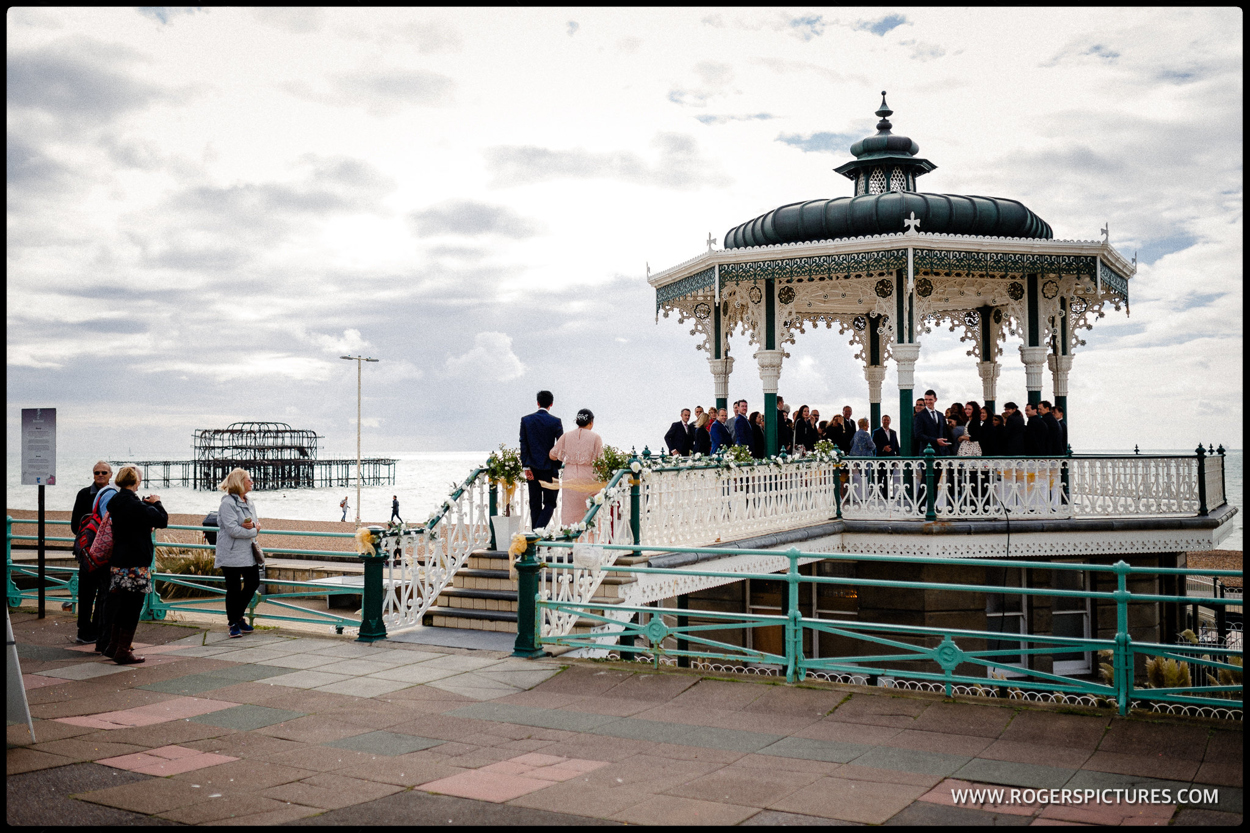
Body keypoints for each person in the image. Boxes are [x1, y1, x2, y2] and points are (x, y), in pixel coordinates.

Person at [102, 466, 168, 664]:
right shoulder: (134, 505)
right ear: (135, 482)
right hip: (136, 563)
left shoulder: (116, 502)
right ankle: (123, 650)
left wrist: (147, 505)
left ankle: (113, 645)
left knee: (122, 604)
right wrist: (157, 503)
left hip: (118, 562)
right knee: (133, 607)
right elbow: (162, 520)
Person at [215, 468, 262, 639]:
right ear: (239, 482)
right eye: (248, 479)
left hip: (248, 551)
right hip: (231, 552)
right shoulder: (227, 503)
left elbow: (255, 523)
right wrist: (253, 531)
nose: (251, 482)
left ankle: (238, 616)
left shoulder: (249, 502)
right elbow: (233, 530)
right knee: (233, 588)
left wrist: (254, 527)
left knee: (253, 582)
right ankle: (233, 622)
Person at [70, 461, 113, 644]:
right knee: (86, 593)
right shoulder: (83, 494)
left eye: (104, 472)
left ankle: (96, 630)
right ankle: (84, 631)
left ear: (111, 474)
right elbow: (74, 525)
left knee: (103, 593)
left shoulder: (113, 495)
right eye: (97, 472)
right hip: (88, 553)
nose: (100, 475)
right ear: (93, 474)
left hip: (104, 554)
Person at [549, 408, 604, 527]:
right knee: (590, 512)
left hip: (569, 478)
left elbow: (552, 455)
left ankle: (571, 540)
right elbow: (601, 462)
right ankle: (589, 542)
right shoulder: (595, 437)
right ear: (591, 422)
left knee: (570, 512)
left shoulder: (566, 436)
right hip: (589, 478)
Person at [520, 390, 564, 530]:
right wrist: (557, 464)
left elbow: (524, 444)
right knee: (550, 503)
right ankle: (537, 534)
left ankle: (535, 538)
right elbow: (561, 446)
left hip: (532, 468)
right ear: (551, 404)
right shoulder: (555, 421)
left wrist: (526, 467)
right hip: (550, 469)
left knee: (535, 503)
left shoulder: (526, 420)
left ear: (537, 403)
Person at [913, 390, 950, 455]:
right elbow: (918, 435)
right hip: (926, 452)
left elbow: (944, 433)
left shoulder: (940, 415)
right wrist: (935, 441)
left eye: (930, 399)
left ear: (935, 399)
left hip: (941, 453)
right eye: (926, 399)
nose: (928, 402)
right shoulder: (919, 415)